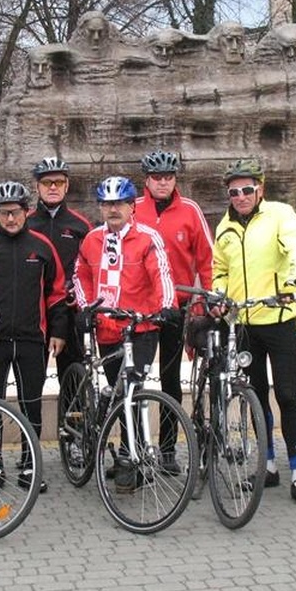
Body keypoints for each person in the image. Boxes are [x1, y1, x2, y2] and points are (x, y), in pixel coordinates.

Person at [212, 159, 296, 507]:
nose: (240, 197)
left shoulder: (280, 215)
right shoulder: (224, 226)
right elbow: (219, 269)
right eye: (233, 192)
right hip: (243, 324)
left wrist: (295, 281)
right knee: (255, 396)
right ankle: (268, 466)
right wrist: (219, 296)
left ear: (260, 189)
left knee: (286, 395)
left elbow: (295, 248)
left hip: (279, 318)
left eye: (247, 190)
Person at [0, 182, 70, 494]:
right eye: (4, 213)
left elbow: (56, 293)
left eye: (16, 212)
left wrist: (58, 331)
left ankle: (30, 464)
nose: (10, 219)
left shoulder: (42, 246)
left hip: (32, 340)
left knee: (31, 405)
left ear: (26, 212)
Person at [73, 176, 176, 486]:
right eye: (107, 204)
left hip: (140, 327)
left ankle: (133, 457)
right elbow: (79, 275)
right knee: (119, 394)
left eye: (119, 204)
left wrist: (167, 305)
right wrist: (85, 308)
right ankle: (127, 452)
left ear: (132, 206)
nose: (113, 209)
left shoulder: (148, 237)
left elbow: (162, 273)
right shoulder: (92, 239)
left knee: (133, 389)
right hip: (106, 328)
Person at [132, 149, 213, 474]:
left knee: (169, 379)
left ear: (175, 179)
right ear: (147, 180)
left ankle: (167, 449)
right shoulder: (132, 208)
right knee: (134, 379)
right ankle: (133, 448)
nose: (163, 183)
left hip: (175, 308)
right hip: (139, 306)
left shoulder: (190, 210)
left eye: (168, 177)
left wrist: (207, 299)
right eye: (157, 177)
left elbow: (207, 259)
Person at [27, 157, 93, 381]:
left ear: (67, 185)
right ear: (37, 186)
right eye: (47, 183)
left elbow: (91, 267)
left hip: (69, 308)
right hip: (35, 310)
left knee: (73, 378)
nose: (53, 187)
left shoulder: (80, 226)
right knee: (33, 378)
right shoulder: (26, 223)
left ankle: (73, 406)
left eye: (59, 182)